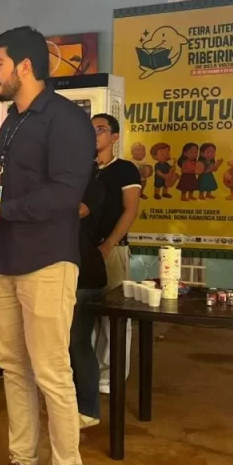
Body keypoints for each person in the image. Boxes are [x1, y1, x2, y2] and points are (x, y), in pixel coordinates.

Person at [0, 26, 94, 465]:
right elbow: (1, 191)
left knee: (51, 372)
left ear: (23, 66)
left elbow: (65, 194)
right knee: (14, 368)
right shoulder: (12, 119)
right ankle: (24, 464)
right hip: (4, 260)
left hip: (47, 261)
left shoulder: (65, 121)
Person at [90, 114, 142, 395]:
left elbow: (130, 210)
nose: (94, 134)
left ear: (114, 137)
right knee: (88, 314)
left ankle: (112, 374)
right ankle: (90, 371)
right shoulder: (83, 169)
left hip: (113, 249)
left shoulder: (125, 170)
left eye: (101, 129)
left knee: (114, 316)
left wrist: (109, 244)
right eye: (91, 129)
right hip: (84, 251)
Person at [72, 162, 107, 428]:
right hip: (63, 271)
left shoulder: (93, 185)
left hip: (86, 274)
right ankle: (73, 404)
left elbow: (77, 211)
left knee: (78, 342)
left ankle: (88, 409)